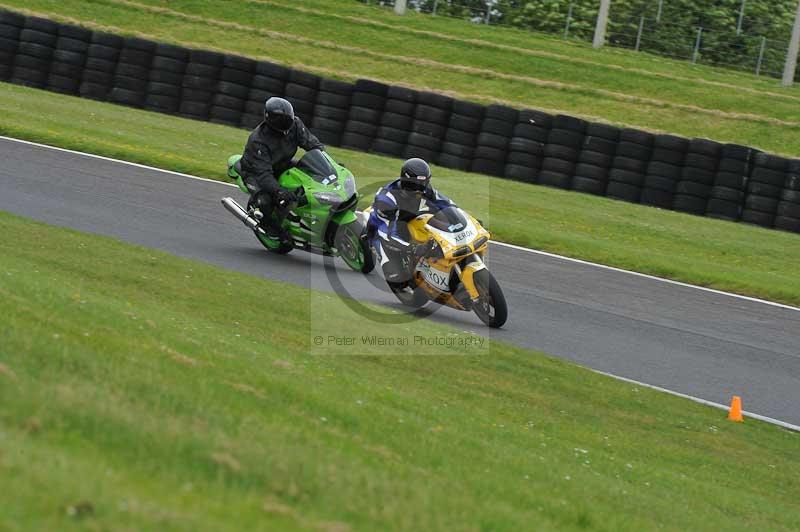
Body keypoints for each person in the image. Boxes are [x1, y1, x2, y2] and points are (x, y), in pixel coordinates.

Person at [239, 97, 324, 238]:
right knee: (266, 200)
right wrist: (279, 192)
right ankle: (267, 225)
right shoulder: (258, 140)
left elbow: (313, 145)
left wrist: (328, 163)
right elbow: (264, 175)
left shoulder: (295, 124)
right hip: (254, 172)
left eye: (288, 120)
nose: (286, 125)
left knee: (310, 171)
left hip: (282, 163)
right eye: (281, 122)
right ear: (270, 120)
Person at [368, 158, 454, 283]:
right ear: (405, 181)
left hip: (409, 219)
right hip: (383, 229)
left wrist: (466, 220)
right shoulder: (387, 200)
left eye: (423, 184)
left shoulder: (424, 189)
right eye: (415, 185)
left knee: (438, 219)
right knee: (396, 278)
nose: (420, 189)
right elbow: (387, 235)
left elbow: (445, 203)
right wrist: (412, 248)